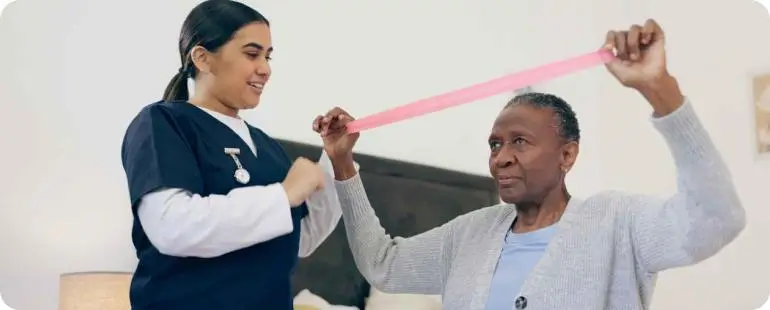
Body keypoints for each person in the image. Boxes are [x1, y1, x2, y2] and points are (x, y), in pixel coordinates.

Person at [312, 19, 746, 310]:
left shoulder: (619, 223)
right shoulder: (470, 235)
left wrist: (660, 91)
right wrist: (342, 163)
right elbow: (382, 264)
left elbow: (717, 219)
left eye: (520, 141)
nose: (501, 156)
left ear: (567, 154)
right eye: (495, 143)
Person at [120, 1, 344, 309]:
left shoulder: (267, 147)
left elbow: (299, 241)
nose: (265, 69)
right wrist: (284, 194)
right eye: (252, 54)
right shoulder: (163, 123)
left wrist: (334, 159)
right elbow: (171, 226)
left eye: (267, 56)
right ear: (202, 58)